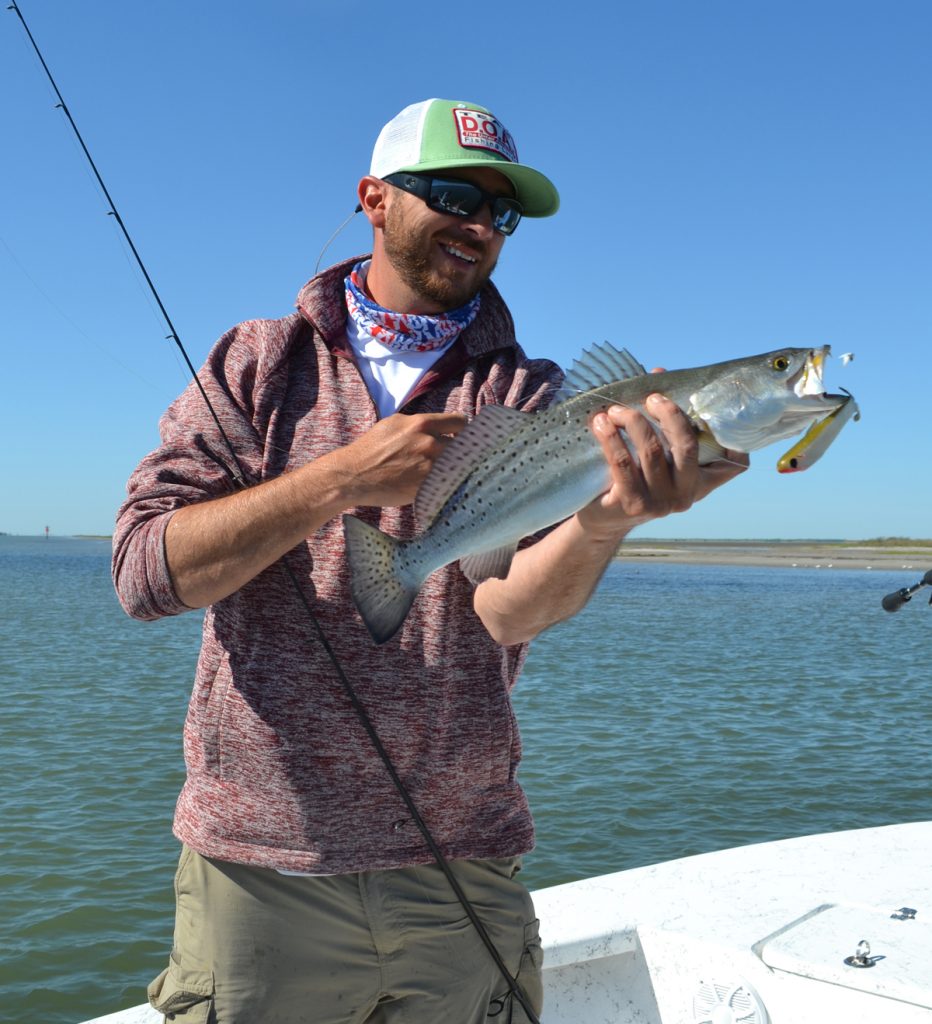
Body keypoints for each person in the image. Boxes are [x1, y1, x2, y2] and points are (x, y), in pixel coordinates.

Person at [112, 98, 746, 1024]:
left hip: (463, 866)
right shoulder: (255, 361)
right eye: (455, 194)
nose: (480, 227)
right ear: (374, 198)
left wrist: (609, 519)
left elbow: (509, 613)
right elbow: (143, 575)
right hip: (261, 871)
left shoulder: (529, 394)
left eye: (502, 214)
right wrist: (334, 480)